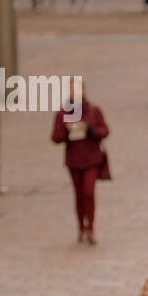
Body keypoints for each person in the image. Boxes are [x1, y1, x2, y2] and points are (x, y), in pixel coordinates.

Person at [51, 88, 110, 244]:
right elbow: (55, 137)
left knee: (89, 192)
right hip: (74, 160)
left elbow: (104, 131)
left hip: (92, 159)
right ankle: (81, 228)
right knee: (79, 195)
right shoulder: (63, 114)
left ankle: (90, 227)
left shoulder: (93, 111)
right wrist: (66, 129)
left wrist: (89, 129)